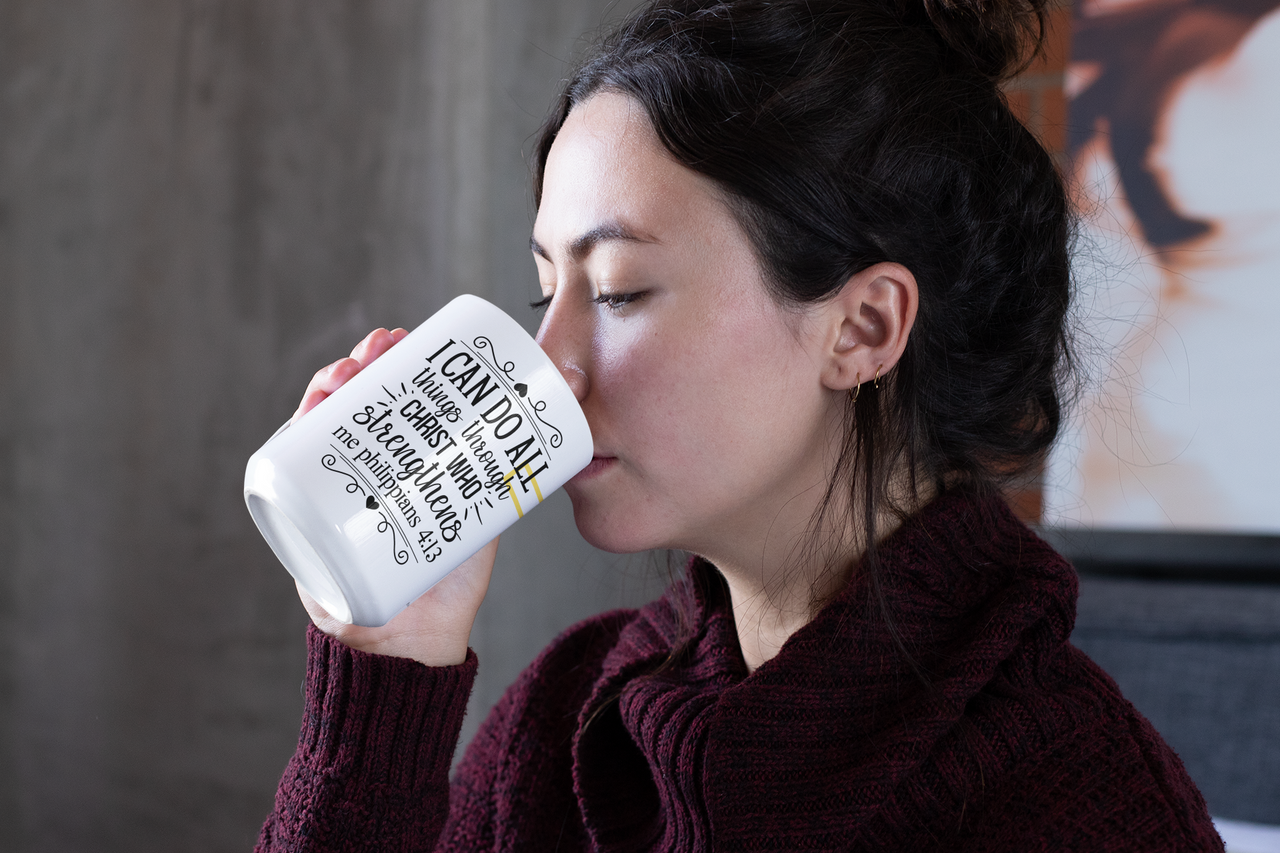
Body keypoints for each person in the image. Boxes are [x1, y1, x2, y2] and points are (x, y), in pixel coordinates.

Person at [257, 1, 1224, 850]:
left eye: (621, 290)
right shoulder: (568, 723)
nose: (549, 358)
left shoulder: (1079, 802)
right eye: (548, 287)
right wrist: (385, 673)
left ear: (863, 327)